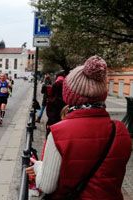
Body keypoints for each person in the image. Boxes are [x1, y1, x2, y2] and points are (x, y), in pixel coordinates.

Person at [26, 56, 132, 200]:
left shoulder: (58, 133)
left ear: (69, 95)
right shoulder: (120, 131)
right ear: (103, 94)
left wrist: (39, 166)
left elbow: (47, 185)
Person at [45, 71, 66, 137]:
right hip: (63, 129)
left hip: (53, 129)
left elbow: (49, 115)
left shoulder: (51, 101)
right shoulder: (67, 103)